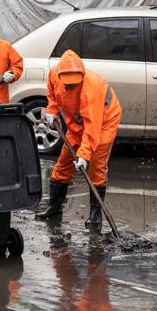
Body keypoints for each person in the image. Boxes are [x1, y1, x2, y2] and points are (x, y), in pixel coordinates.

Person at [35, 50, 122, 228]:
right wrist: (52, 111)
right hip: (76, 122)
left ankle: (95, 216)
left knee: (96, 166)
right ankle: (55, 207)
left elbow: (92, 128)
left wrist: (83, 155)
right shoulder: (54, 74)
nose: (70, 88)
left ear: (81, 76)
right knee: (63, 163)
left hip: (104, 121)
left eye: (74, 85)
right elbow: (52, 94)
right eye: (67, 85)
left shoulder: (92, 89)